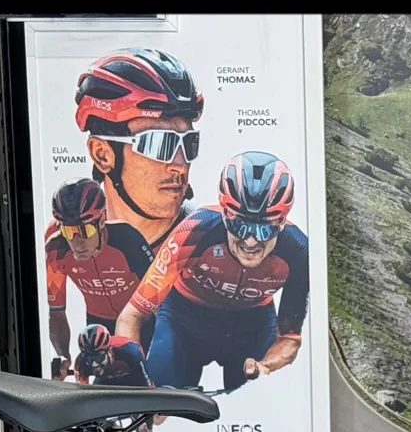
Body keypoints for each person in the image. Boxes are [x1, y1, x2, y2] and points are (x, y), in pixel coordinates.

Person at [46, 48, 203, 374]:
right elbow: (56, 310)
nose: (180, 164)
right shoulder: (58, 240)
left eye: (189, 144)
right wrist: (62, 355)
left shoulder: (203, 235)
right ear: (103, 154)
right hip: (99, 330)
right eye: (159, 144)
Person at [116, 151, 309, 395]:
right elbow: (132, 315)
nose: (250, 241)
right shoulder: (196, 231)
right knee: (159, 399)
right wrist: (135, 378)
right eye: (239, 225)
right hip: (183, 317)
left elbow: (289, 339)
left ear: (281, 223)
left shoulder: (299, 251)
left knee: (256, 401)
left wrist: (265, 367)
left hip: (252, 323)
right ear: (225, 214)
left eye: (264, 230)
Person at [44, 180, 158, 379]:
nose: (77, 242)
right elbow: (57, 312)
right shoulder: (56, 250)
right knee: (106, 389)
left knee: (147, 382)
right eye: (68, 231)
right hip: (99, 324)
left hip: (142, 321)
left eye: (85, 230)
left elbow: (160, 294)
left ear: (102, 219)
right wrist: (63, 355)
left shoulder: (127, 240)